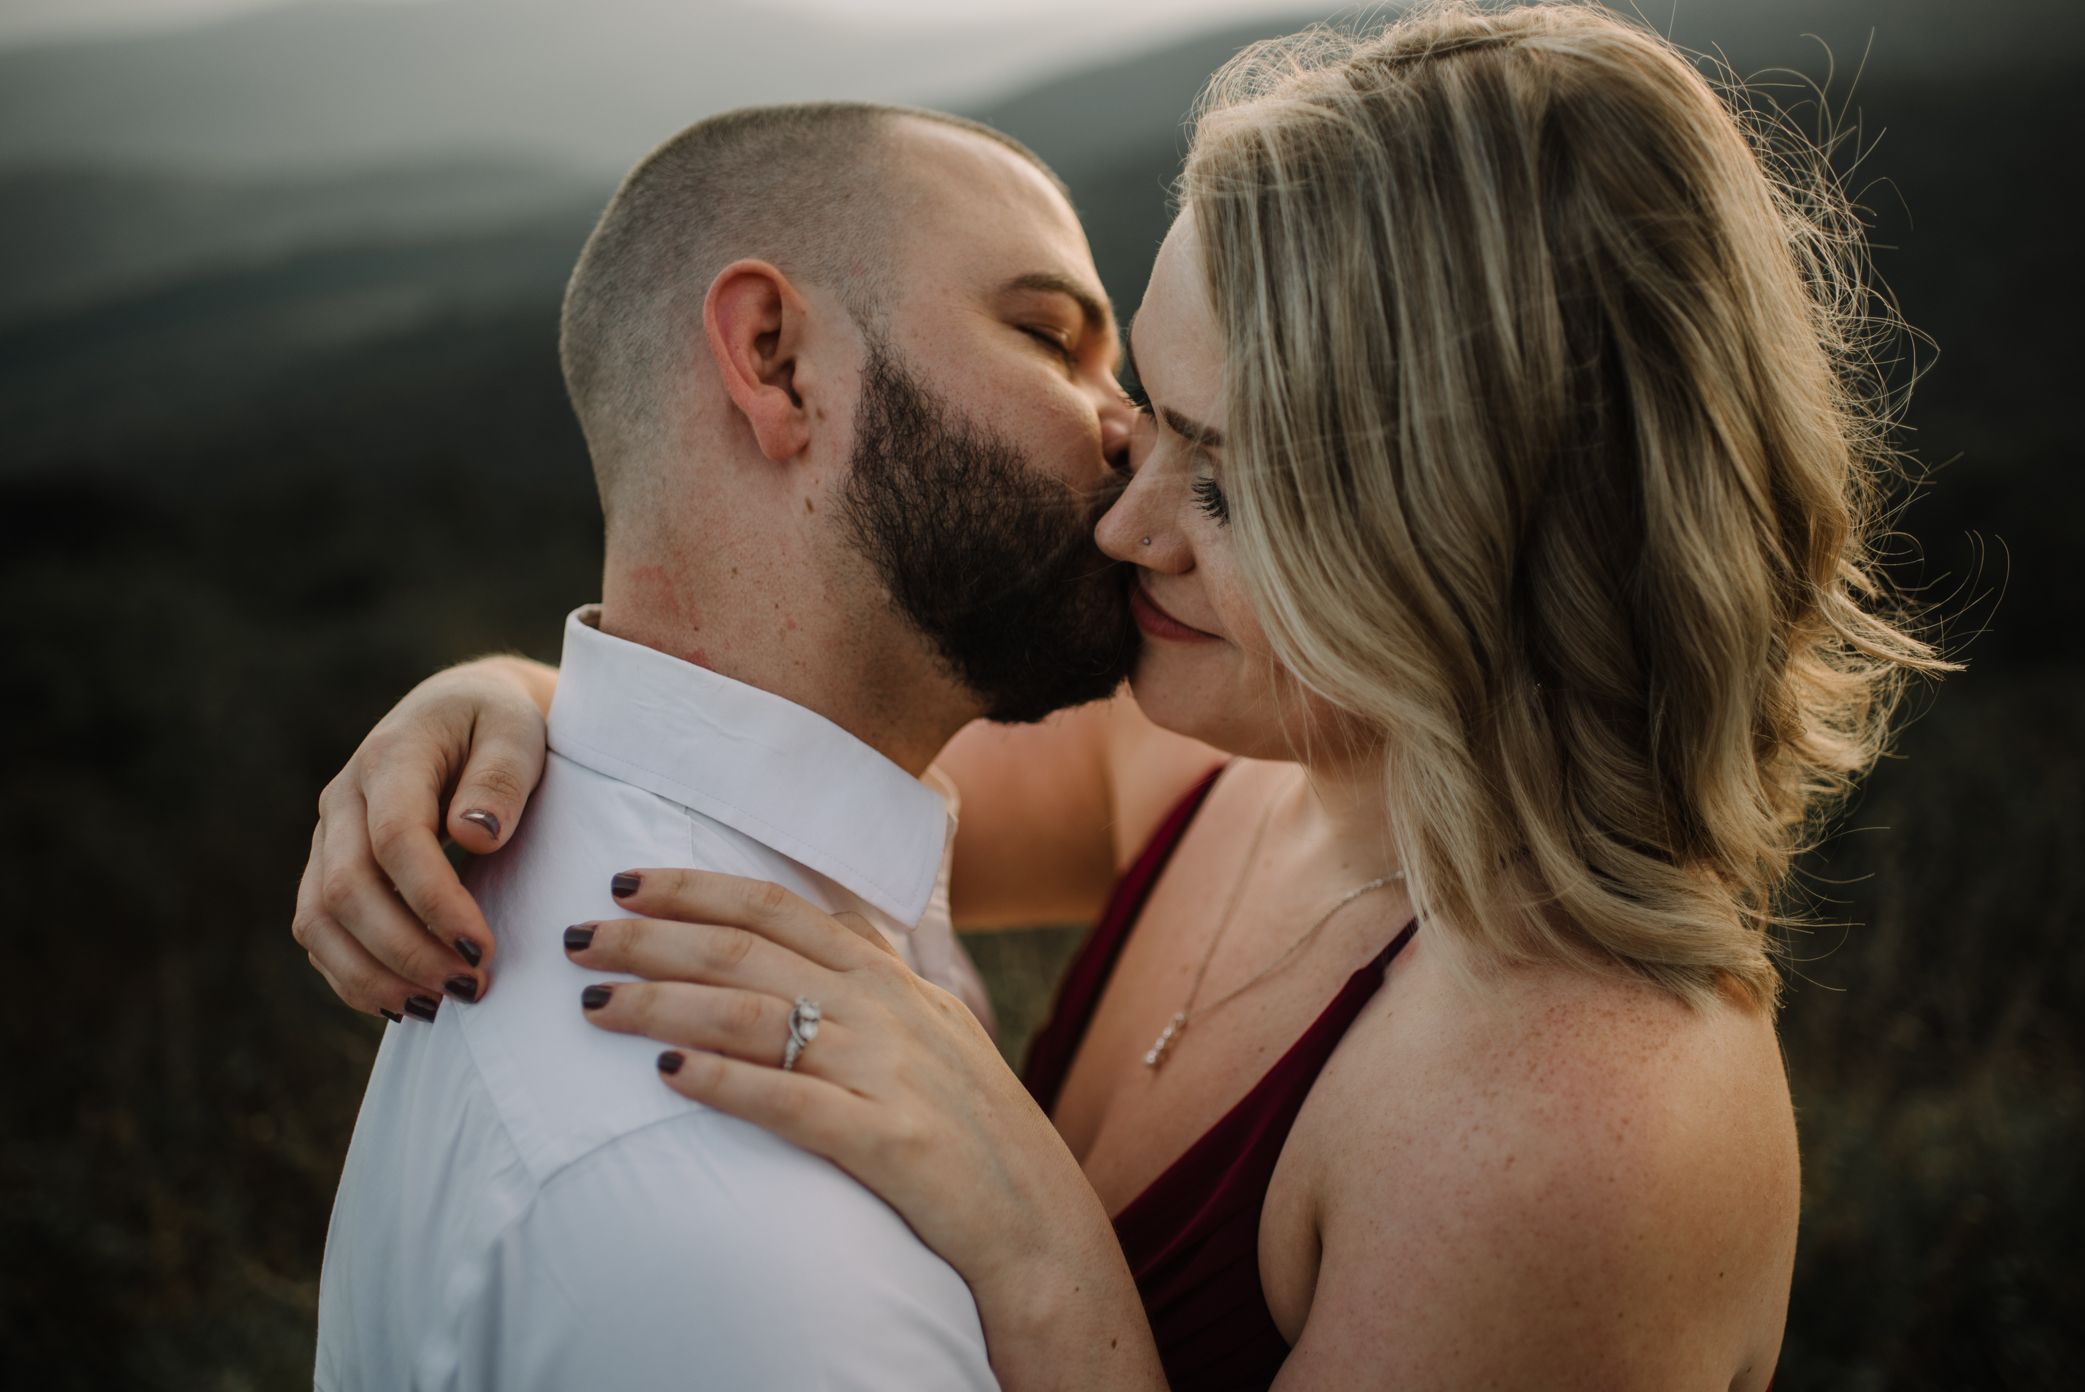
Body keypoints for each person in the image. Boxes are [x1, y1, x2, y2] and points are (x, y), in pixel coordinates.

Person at [298, 4, 1945, 1387]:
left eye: (1228, 493)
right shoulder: (1226, 760)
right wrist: (503, 700)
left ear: (1490, 535)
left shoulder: (1585, 1128)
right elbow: (782, 734)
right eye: (1151, 415)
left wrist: (1041, 1251)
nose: (1122, 519)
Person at [309, 100, 1152, 1389]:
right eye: (1051, 337)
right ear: (773, 359)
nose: (1133, 430)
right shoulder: (744, 1243)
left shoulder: (827, 866)